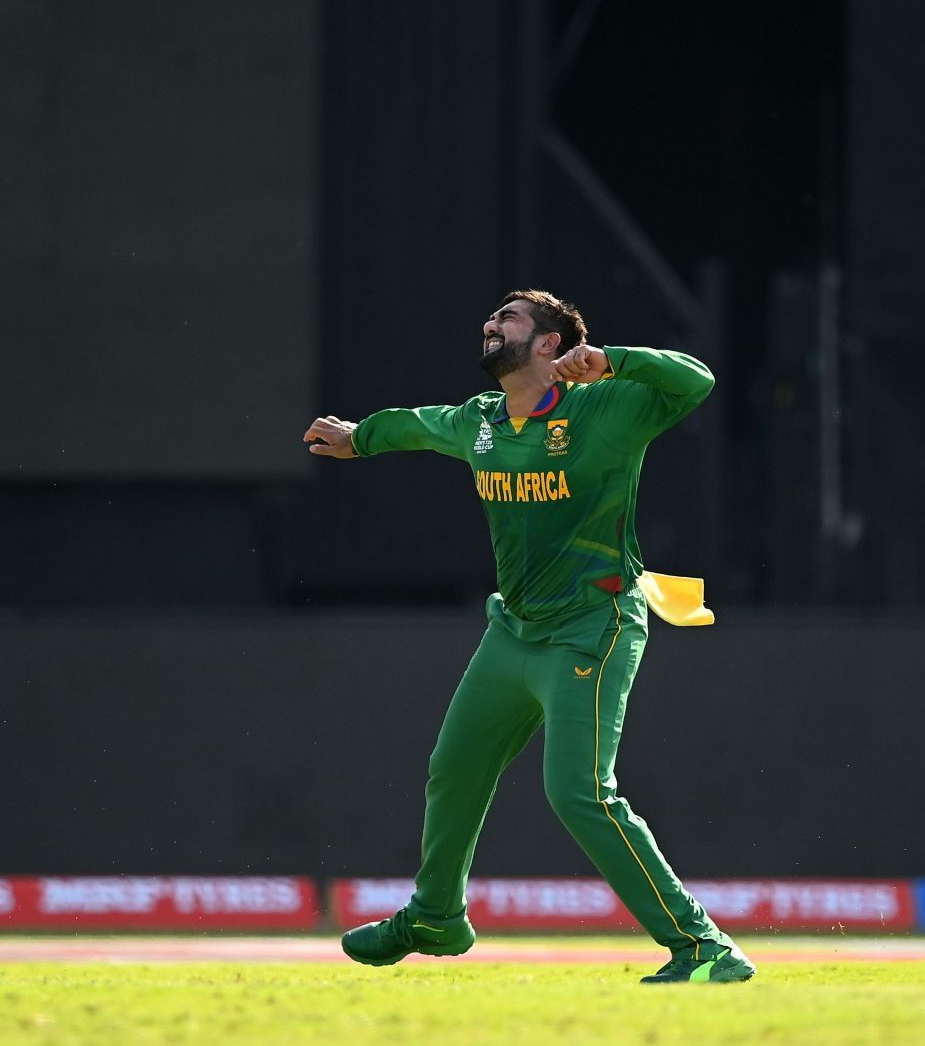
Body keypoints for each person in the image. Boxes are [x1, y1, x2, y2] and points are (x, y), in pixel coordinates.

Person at [302, 289, 754, 984]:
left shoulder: (606, 408)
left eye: (508, 318)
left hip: (591, 628)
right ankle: (436, 916)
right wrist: (359, 437)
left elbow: (696, 380)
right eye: (491, 315)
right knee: (454, 769)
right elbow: (419, 425)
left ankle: (703, 944)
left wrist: (614, 362)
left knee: (578, 791)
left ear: (550, 344)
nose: (490, 322)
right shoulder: (481, 420)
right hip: (512, 632)